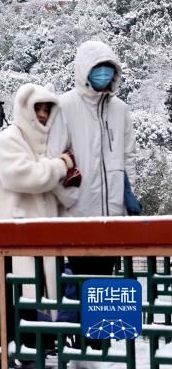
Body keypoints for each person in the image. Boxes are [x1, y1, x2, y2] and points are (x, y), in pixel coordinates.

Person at [47, 41, 137, 366]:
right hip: (77, 218)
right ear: (84, 69)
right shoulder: (65, 106)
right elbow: (54, 159)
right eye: (98, 67)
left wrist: (129, 198)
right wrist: (69, 197)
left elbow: (129, 159)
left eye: (109, 68)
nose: (104, 73)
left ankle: (97, 353)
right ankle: (77, 351)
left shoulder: (121, 110)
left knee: (106, 286)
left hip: (114, 218)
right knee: (80, 283)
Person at [0, 83, 77, 369]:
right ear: (25, 109)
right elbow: (23, 177)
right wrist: (60, 167)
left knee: (40, 297)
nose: (44, 114)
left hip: (41, 240)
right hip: (11, 241)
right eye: (39, 108)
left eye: (48, 109)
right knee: (13, 298)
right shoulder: (9, 139)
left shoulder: (49, 145)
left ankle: (34, 349)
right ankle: (11, 351)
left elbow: (57, 190)